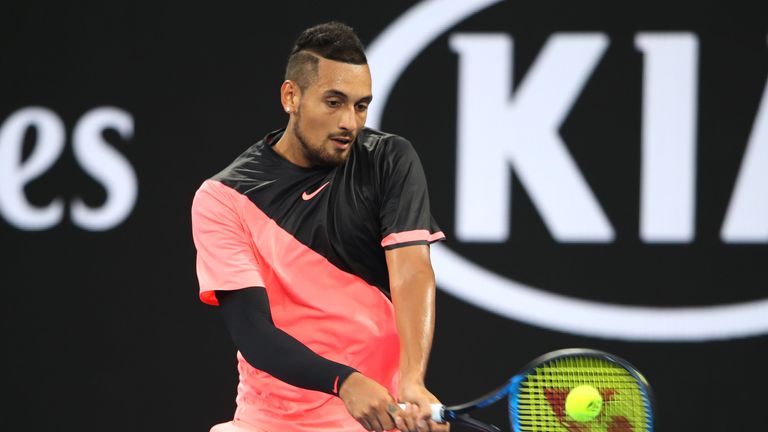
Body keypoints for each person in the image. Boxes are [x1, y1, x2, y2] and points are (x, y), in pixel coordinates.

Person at [191, 21, 448, 432]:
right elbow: (251, 330)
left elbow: (413, 271)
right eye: (334, 102)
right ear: (291, 96)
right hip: (271, 423)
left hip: (377, 420)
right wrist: (342, 381)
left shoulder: (390, 160)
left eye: (361, 106)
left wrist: (414, 381)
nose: (350, 121)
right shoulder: (224, 197)